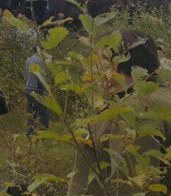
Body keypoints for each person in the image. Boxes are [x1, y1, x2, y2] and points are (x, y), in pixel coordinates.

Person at [69, 30, 171, 195]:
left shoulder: (133, 109)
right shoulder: (157, 97)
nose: (92, 69)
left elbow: (132, 187)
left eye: (98, 60)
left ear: (116, 63)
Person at [24, 47, 49, 136]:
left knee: (31, 112)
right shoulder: (40, 60)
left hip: (28, 88)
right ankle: (44, 135)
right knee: (43, 113)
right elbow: (41, 77)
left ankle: (30, 133)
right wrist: (47, 90)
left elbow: (26, 76)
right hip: (37, 89)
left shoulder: (28, 60)